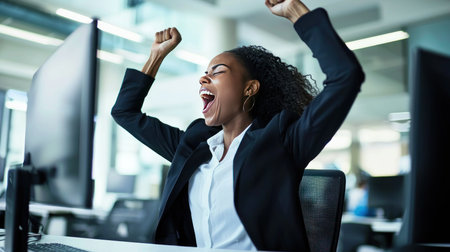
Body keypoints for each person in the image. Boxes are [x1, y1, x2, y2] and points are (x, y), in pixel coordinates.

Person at [111, 0, 365, 251]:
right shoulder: (194, 146)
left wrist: (295, 12)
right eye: (205, 72)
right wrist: (156, 56)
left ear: (250, 88)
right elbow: (125, 112)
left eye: (218, 71)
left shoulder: (281, 142)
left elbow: (345, 76)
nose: (203, 78)